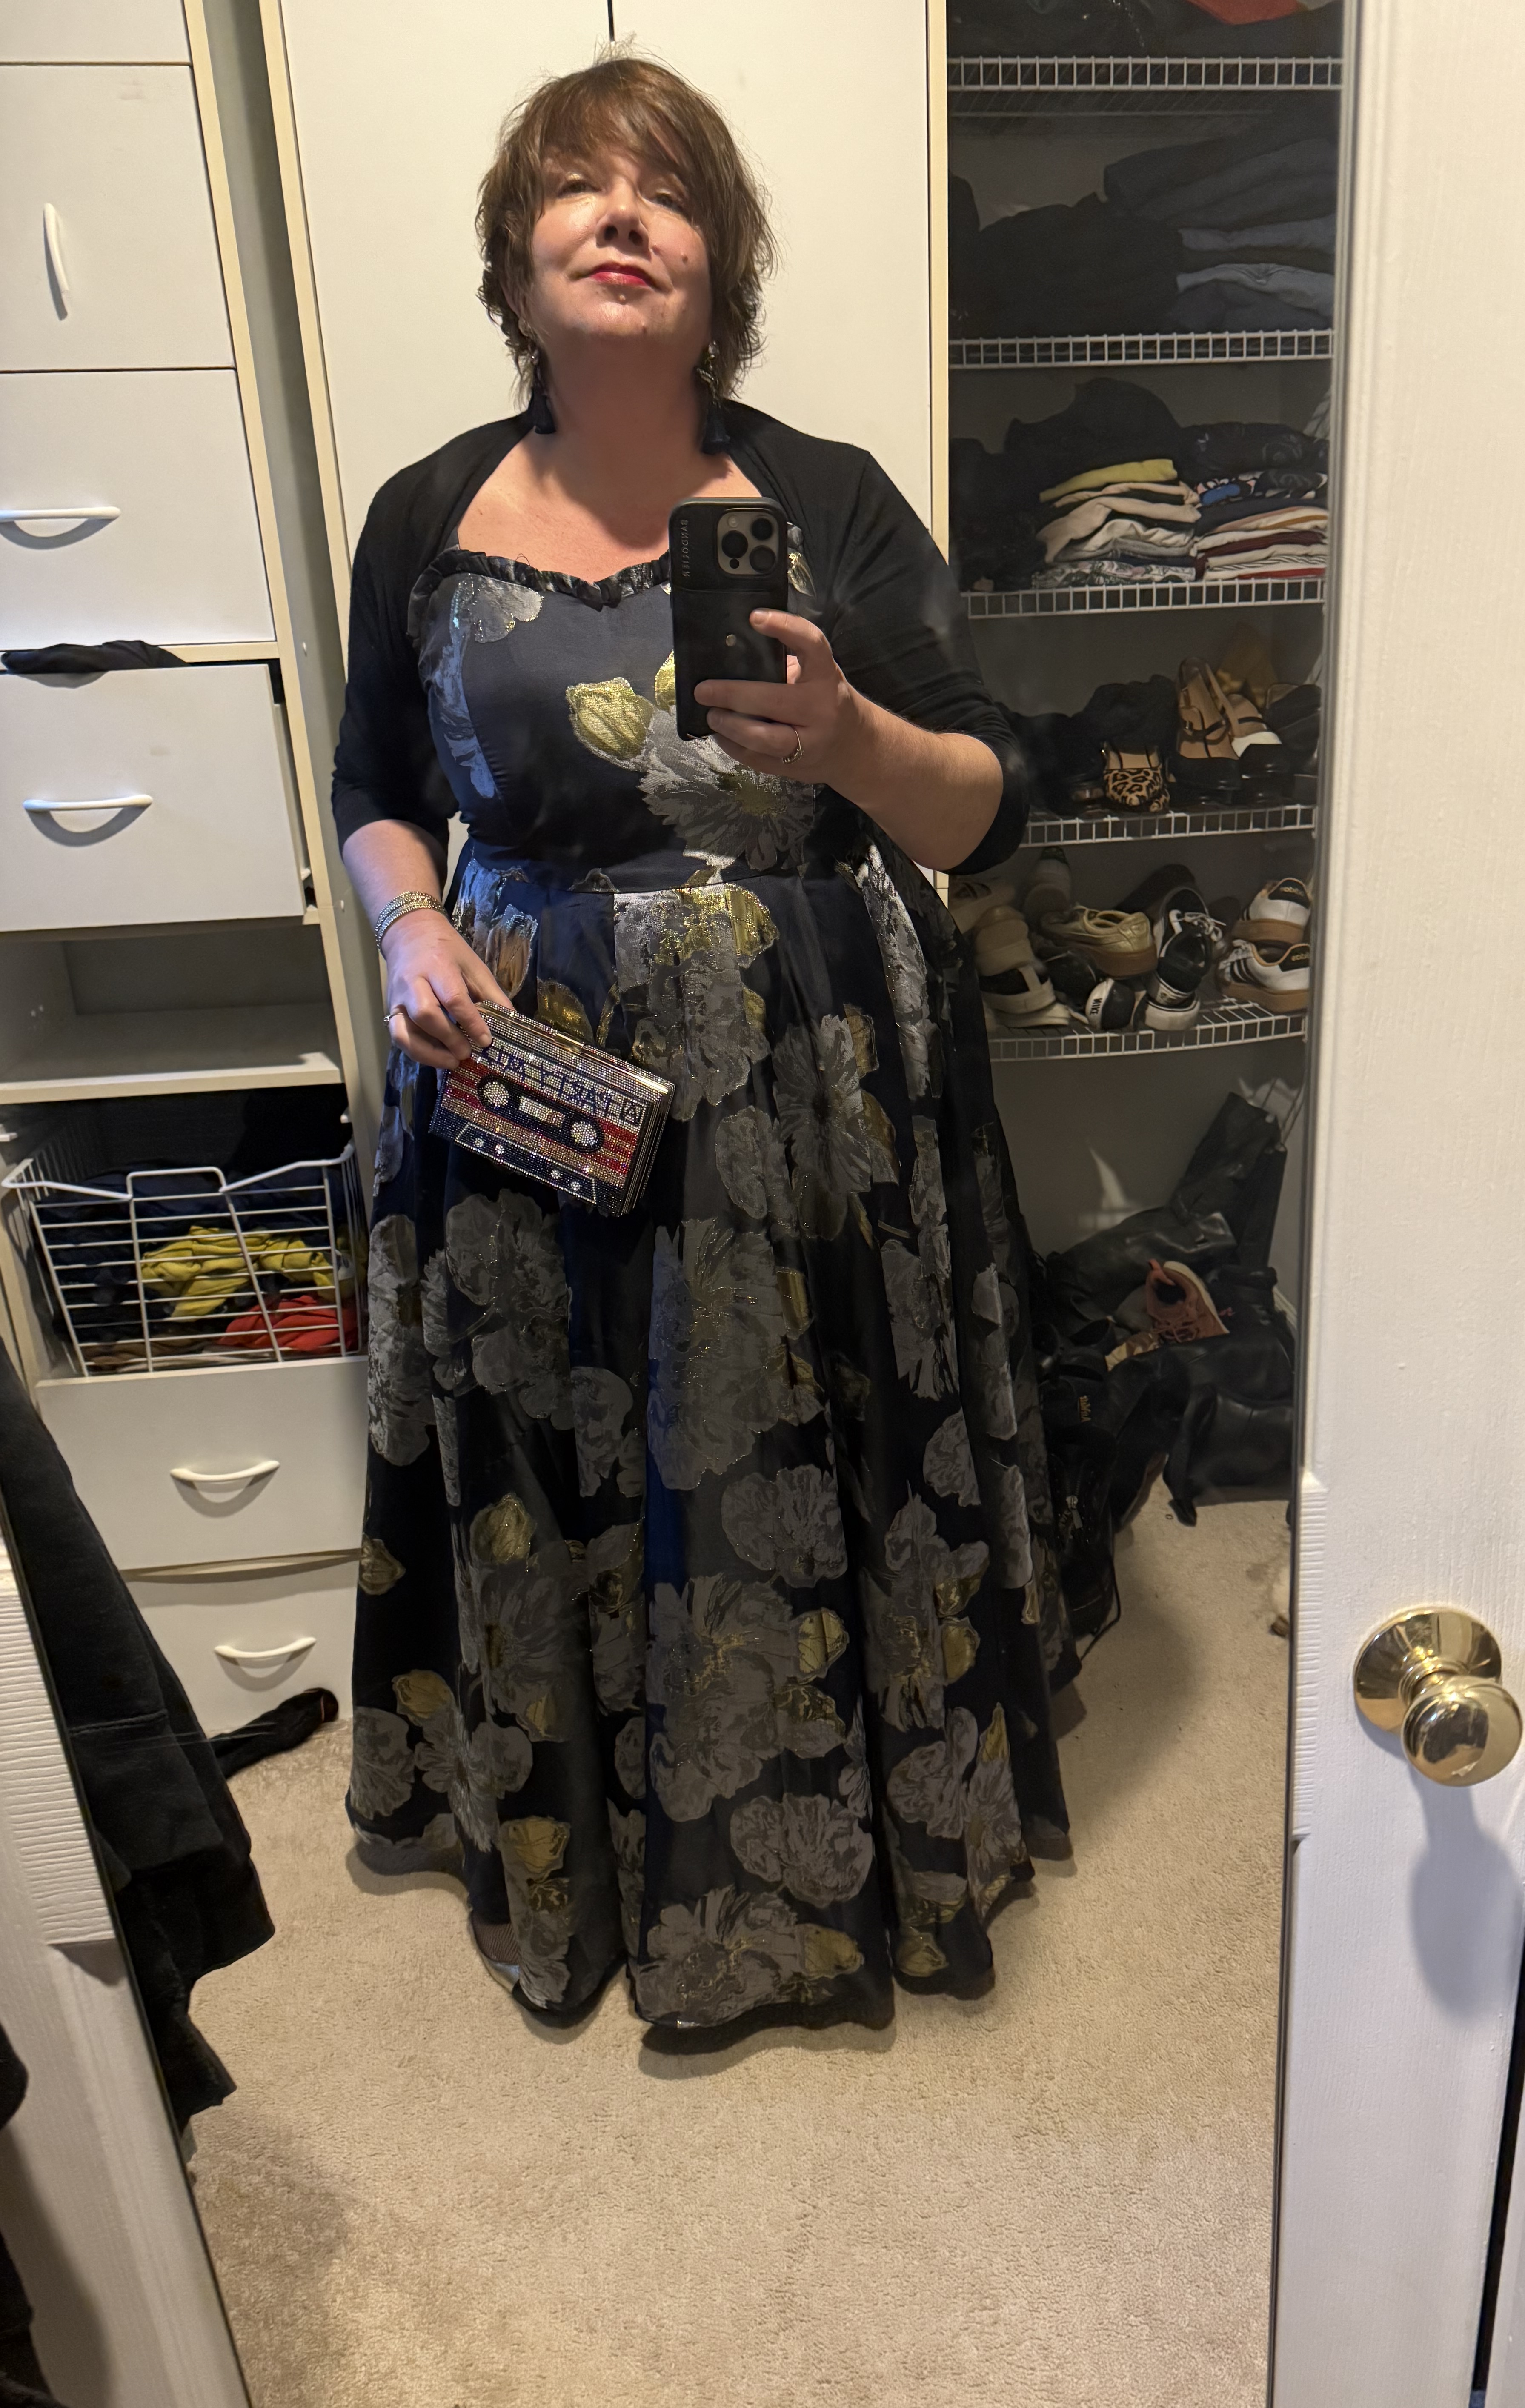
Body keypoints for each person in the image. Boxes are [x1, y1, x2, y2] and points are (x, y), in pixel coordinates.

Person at [333, 54, 1074, 2036]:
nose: (619, 216)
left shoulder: (825, 499)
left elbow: (985, 812)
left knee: (803, 1445)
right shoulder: (424, 514)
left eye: (663, 190)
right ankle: (587, 1852)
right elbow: (375, 789)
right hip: (528, 1082)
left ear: (719, 259)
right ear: (517, 255)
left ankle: (833, 1866)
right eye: (574, 187)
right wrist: (407, 922)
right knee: (566, 1446)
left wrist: (849, 738)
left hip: (807, 1094)